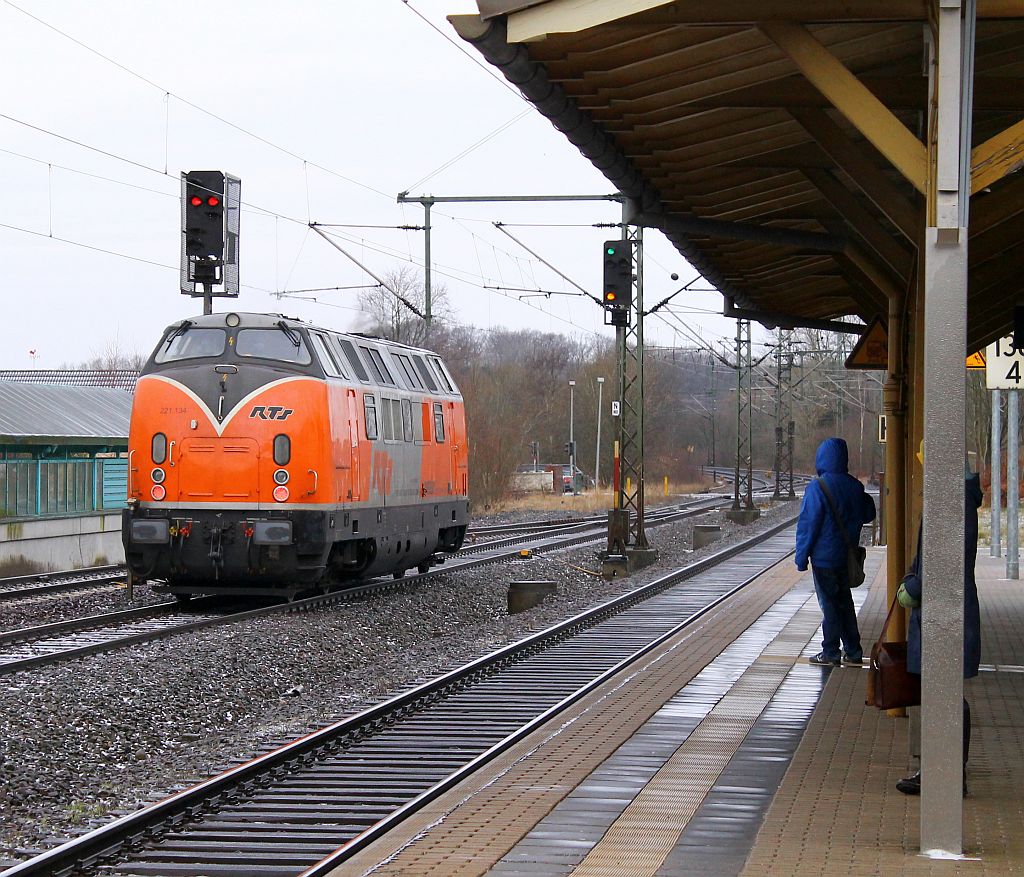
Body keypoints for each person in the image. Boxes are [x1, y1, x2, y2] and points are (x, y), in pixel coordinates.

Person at [894, 462, 982, 796]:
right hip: (945, 610)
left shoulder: (952, 502)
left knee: (943, 695)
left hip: (944, 613)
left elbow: (944, 561)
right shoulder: (957, 499)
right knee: (941, 693)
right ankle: (944, 771)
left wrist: (914, 587)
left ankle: (946, 774)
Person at [795, 437, 877, 666]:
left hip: (824, 559)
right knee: (845, 603)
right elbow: (869, 513)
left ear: (822, 458)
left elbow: (808, 525)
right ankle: (853, 650)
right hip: (846, 557)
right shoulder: (854, 486)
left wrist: (801, 557)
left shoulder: (817, 487)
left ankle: (830, 651)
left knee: (830, 604)